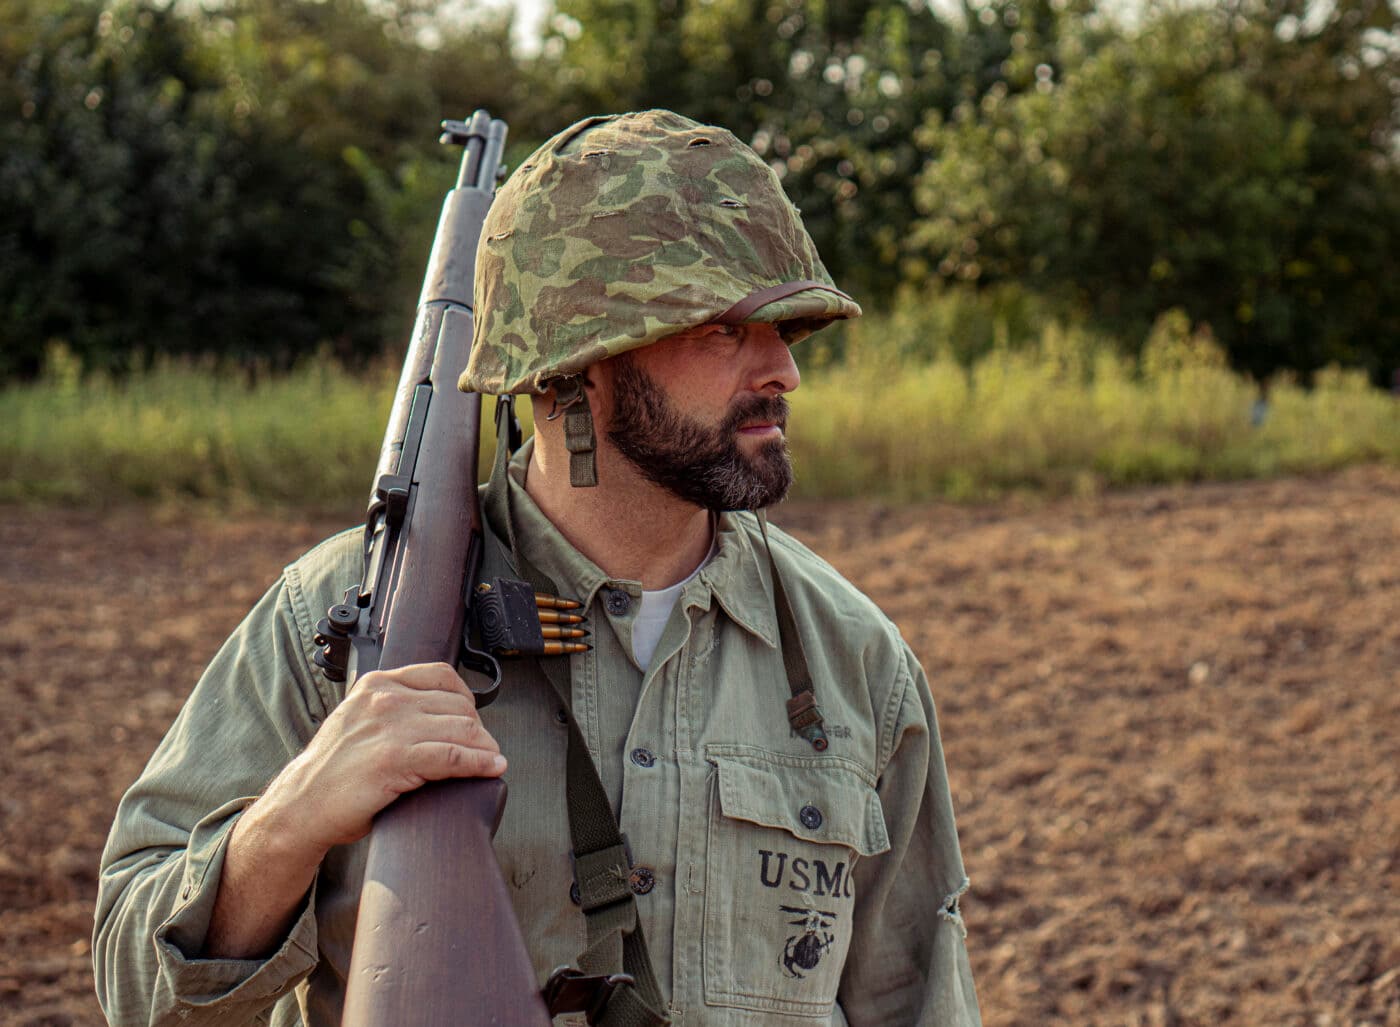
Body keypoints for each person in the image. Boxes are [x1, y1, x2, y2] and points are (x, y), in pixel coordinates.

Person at [94, 110, 981, 1026]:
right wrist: (292, 820)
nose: (785, 369)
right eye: (725, 328)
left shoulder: (857, 664)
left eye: (787, 327)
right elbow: (132, 982)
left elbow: (918, 1000)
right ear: (575, 371)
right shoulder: (340, 620)